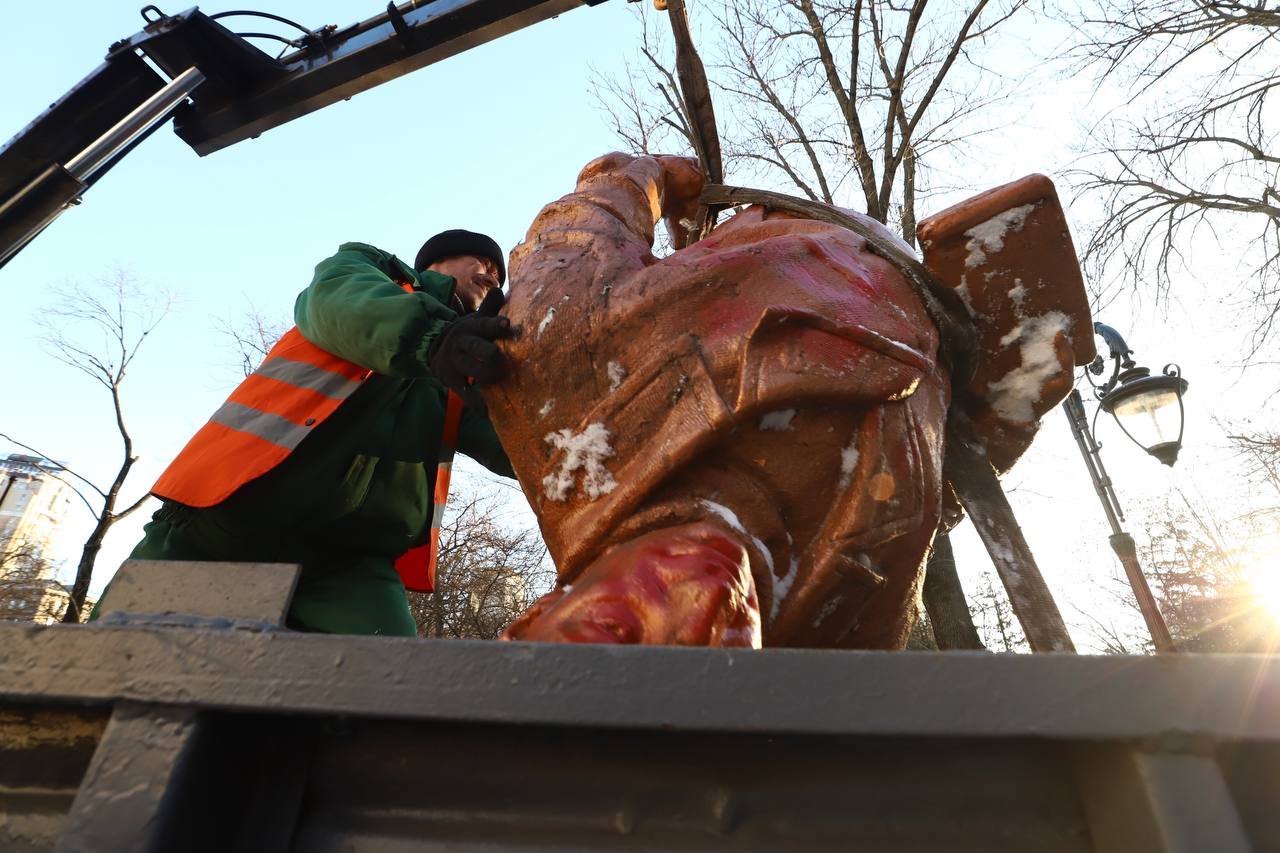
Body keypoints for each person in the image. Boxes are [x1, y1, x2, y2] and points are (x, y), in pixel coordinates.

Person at [93, 230, 516, 636]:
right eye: (482, 262)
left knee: (388, 679)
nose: (493, 277)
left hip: (351, 565)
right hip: (224, 519)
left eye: (499, 274)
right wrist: (435, 338)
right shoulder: (372, 273)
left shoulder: (468, 372)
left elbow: (523, 446)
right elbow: (337, 298)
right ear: (439, 260)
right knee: (112, 662)